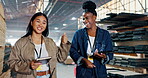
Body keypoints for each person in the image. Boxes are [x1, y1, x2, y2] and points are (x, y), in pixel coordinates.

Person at [8, 12, 70, 78]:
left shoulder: (50, 42)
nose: (41, 25)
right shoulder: (21, 43)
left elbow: (61, 58)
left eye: (44, 23)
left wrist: (64, 44)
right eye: (38, 21)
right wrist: (29, 65)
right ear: (31, 23)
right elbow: (11, 63)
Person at [70, 1, 113, 78]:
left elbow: (110, 53)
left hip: (100, 72)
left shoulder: (105, 34)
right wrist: (83, 60)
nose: (84, 21)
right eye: (83, 18)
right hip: (83, 72)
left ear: (94, 17)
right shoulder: (79, 34)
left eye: (87, 18)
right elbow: (73, 51)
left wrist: (104, 56)